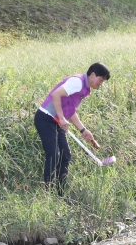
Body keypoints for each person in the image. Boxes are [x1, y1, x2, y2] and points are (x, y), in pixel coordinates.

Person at [35, 62, 110, 193]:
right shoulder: (77, 82)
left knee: (65, 155)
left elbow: (70, 109)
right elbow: (55, 95)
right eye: (101, 79)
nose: (101, 83)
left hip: (57, 121)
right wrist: (62, 118)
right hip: (45, 118)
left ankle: (60, 193)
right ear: (93, 75)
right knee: (54, 154)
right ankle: (47, 193)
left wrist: (83, 130)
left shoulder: (84, 88)